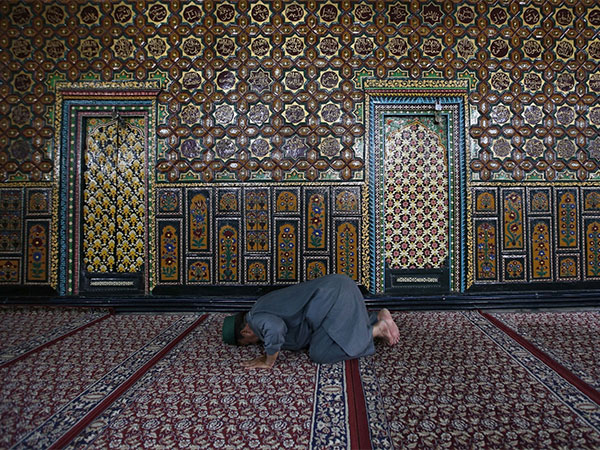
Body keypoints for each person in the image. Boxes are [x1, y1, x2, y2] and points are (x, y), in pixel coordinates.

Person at [222, 274, 400, 369]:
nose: (253, 345)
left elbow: (275, 329)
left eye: (246, 344)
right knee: (330, 333)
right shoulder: (260, 306)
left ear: (245, 332)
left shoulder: (256, 319)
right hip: (340, 288)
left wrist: (268, 360)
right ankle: (376, 317)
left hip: (333, 300)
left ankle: (376, 330)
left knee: (321, 353)